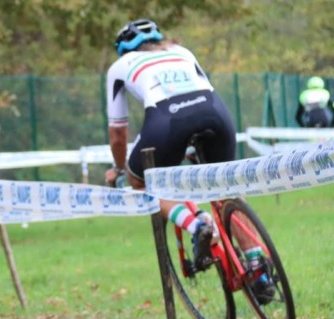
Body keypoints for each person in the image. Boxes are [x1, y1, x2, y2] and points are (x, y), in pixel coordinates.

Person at [102, 19, 274, 303]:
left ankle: (197, 225)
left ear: (123, 48)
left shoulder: (120, 66)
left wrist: (121, 169)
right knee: (224, 186)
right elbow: (199, 93)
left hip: (167, 120)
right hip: (215, 113)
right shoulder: (181, 50)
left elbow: (118, 134)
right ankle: (257, 265)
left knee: (141, 183)